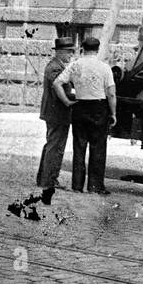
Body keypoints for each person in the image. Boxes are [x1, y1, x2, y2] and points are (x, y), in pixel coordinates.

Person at [53, 35, 117, 195]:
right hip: (99, 108)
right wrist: (113, 113)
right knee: (98, 148)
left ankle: (77, 185)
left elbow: (57, 83)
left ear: (82, 49)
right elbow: (111, 94)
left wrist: (67, 102)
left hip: (80, 107)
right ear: (97, 50)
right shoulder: (104, 67)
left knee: (79, 147)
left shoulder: (75, 65)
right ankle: (95, 186)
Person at [36, 37, 75, 204]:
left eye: (71, 52)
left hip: (55, 112)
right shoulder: (54, 67)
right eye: (68, 52)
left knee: (52, 144)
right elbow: (58, 87)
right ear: (59, 52)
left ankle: (45, 178)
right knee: (55, 146)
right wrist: (71, 99)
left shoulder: (57, 66)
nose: (71, 55)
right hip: (56, 112)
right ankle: (48, 180)